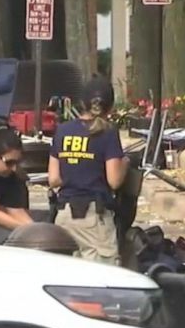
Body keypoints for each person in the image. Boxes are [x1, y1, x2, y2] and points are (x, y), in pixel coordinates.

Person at [48, 76, 128, 264]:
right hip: (94, 218)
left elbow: (54, 179)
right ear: (109, 106)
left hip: (65, 217)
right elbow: (114, 180)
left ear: (82, 103)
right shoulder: (108, 132)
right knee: (101, 281)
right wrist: (125, 162)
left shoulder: (63, 131)